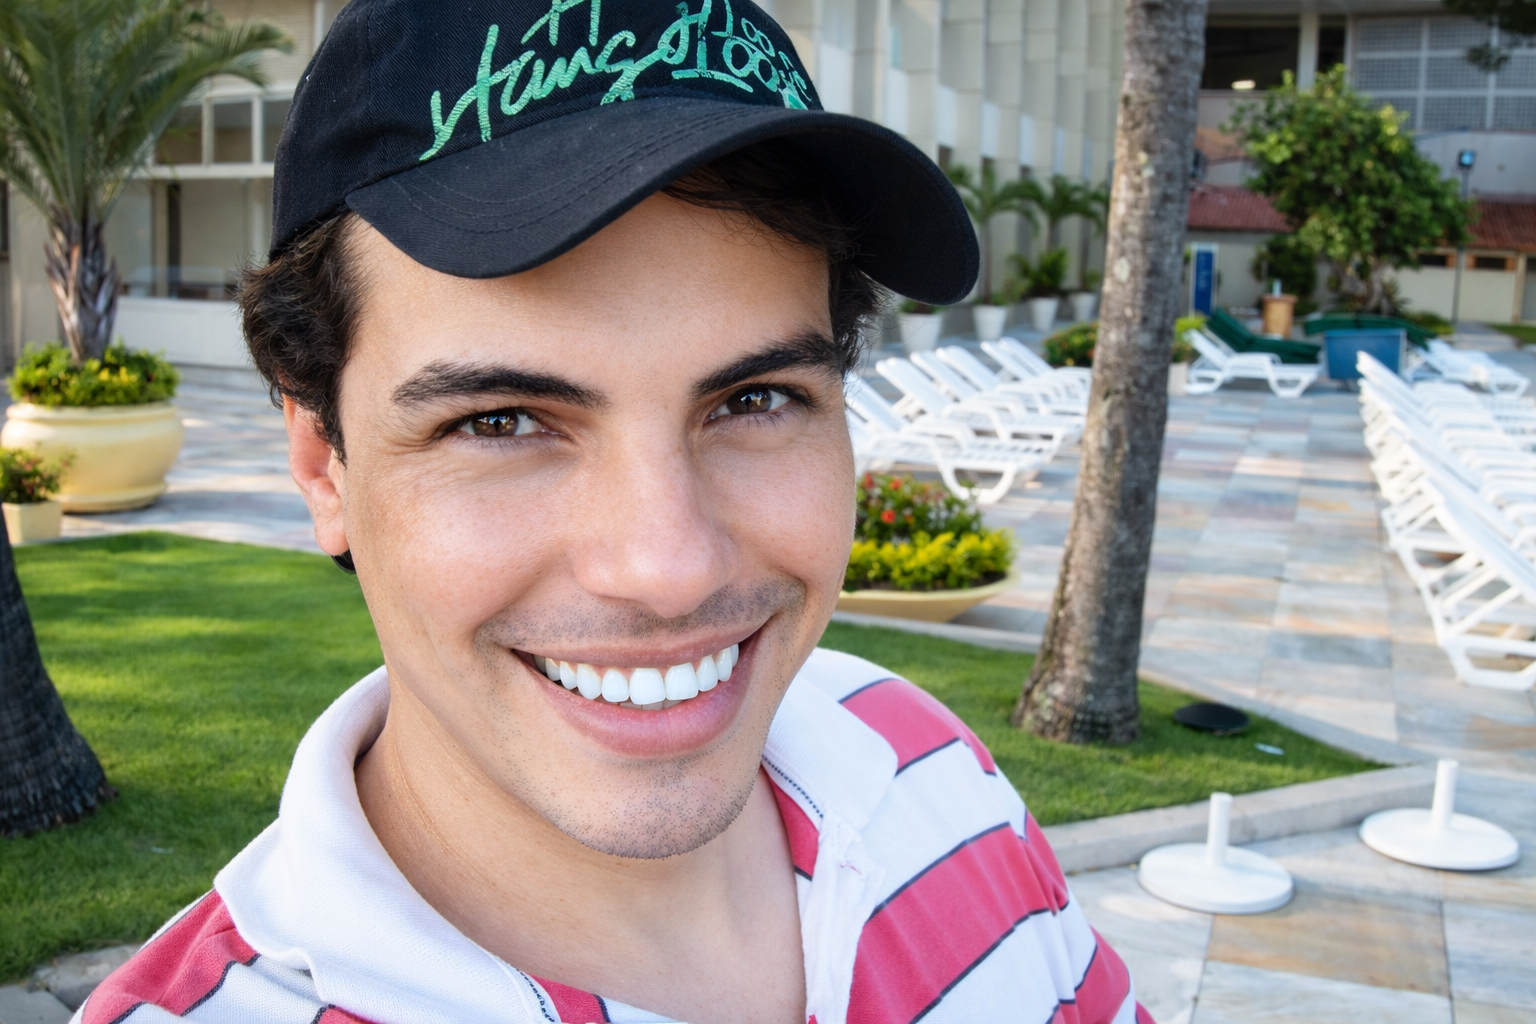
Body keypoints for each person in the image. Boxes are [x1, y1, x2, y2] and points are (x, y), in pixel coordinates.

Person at [80, 1, 1149, 1022]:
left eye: (755, 400)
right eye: (500, 422)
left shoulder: (920, 758)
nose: (669, 568)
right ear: (325, 466)